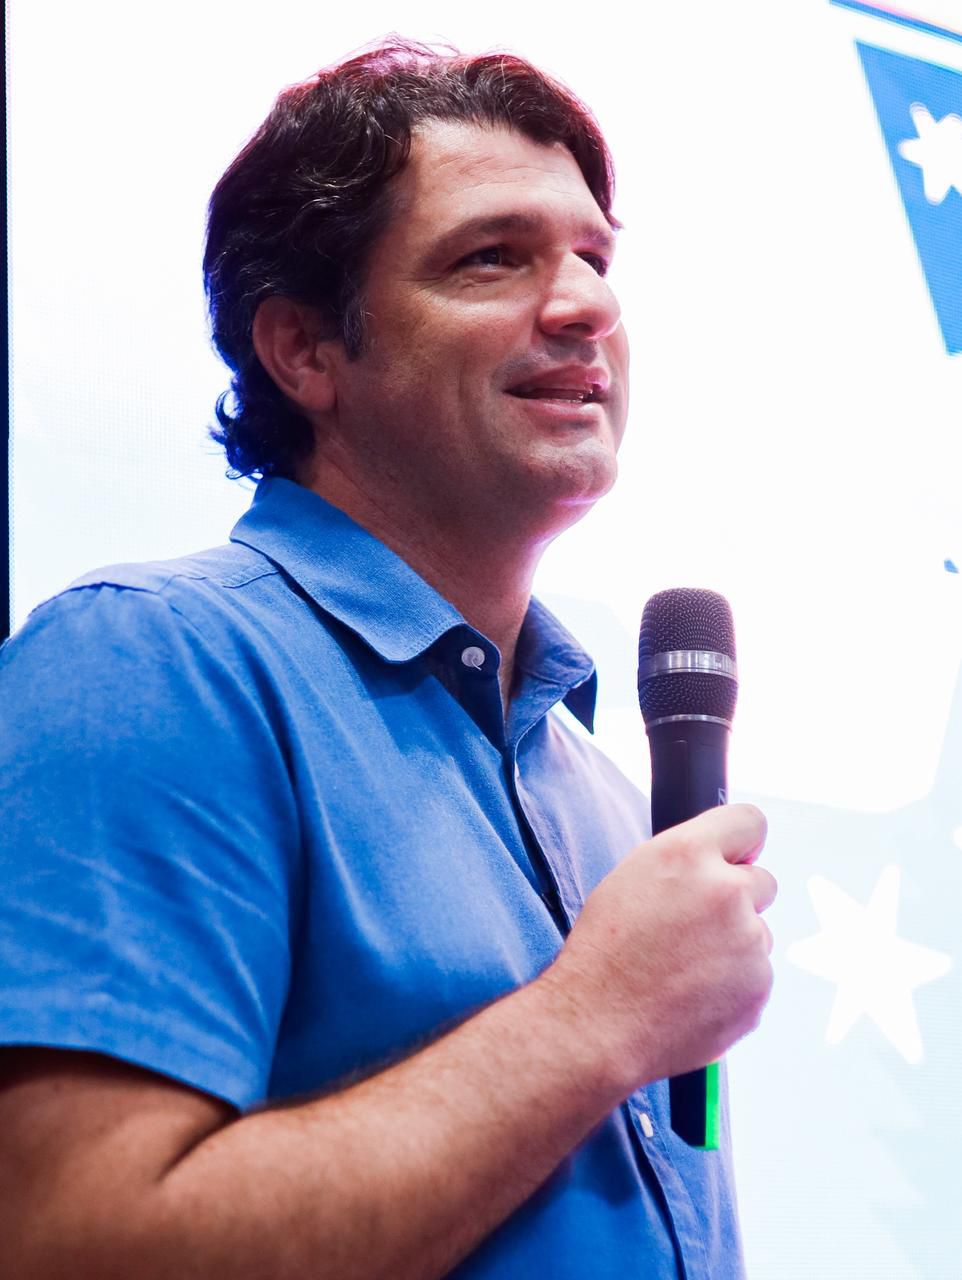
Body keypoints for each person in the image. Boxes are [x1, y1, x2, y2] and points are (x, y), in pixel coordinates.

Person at [0, 39, 775, 1280]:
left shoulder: (598, 792)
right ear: (304, 348)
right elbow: (72, 1242)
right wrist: (596, 1016)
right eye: (491, 257)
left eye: (593, 258)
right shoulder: (150, 661)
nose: (584, 306)